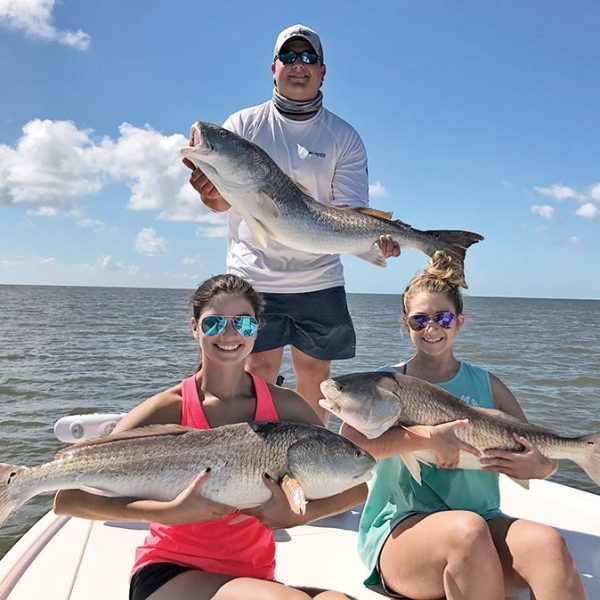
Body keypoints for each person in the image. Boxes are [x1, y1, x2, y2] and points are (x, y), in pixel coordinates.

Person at [54, 274, 367, 600]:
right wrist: (169, 512)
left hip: (254, 576)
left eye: (243, 324)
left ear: (257, 329)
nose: (230, 334)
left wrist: (297, 515)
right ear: (195, 328)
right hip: (170, 573)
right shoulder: (167, 407)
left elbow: (356, 486)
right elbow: (70, 499)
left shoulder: (286, 406)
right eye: (215, 323)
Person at [183, 24, 400, 423]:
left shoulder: (343, 136)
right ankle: (254, 461)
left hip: (319, 277)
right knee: (257, 372)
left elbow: (349, 212)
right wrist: (208, 191)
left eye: (308, 58)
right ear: (273, 68)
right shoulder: (244, 125)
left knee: (317, 377)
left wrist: (374, 242)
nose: (298, 66)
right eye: (289, 57)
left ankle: (314, 461)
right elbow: (219, 203)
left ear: (322, 70)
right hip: (255, 273)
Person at [341, 252, 586, 600]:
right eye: (419, 320)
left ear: (460, 321)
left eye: (443, 317)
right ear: (405, 324)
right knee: (466, 532)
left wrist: (540, 466)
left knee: (548, 544)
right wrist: (424, 437)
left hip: (484, 521)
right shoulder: (385, 383)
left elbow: (538, 454)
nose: (432, 328)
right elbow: (353, 448)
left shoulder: (489, 385)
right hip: (403, 530)